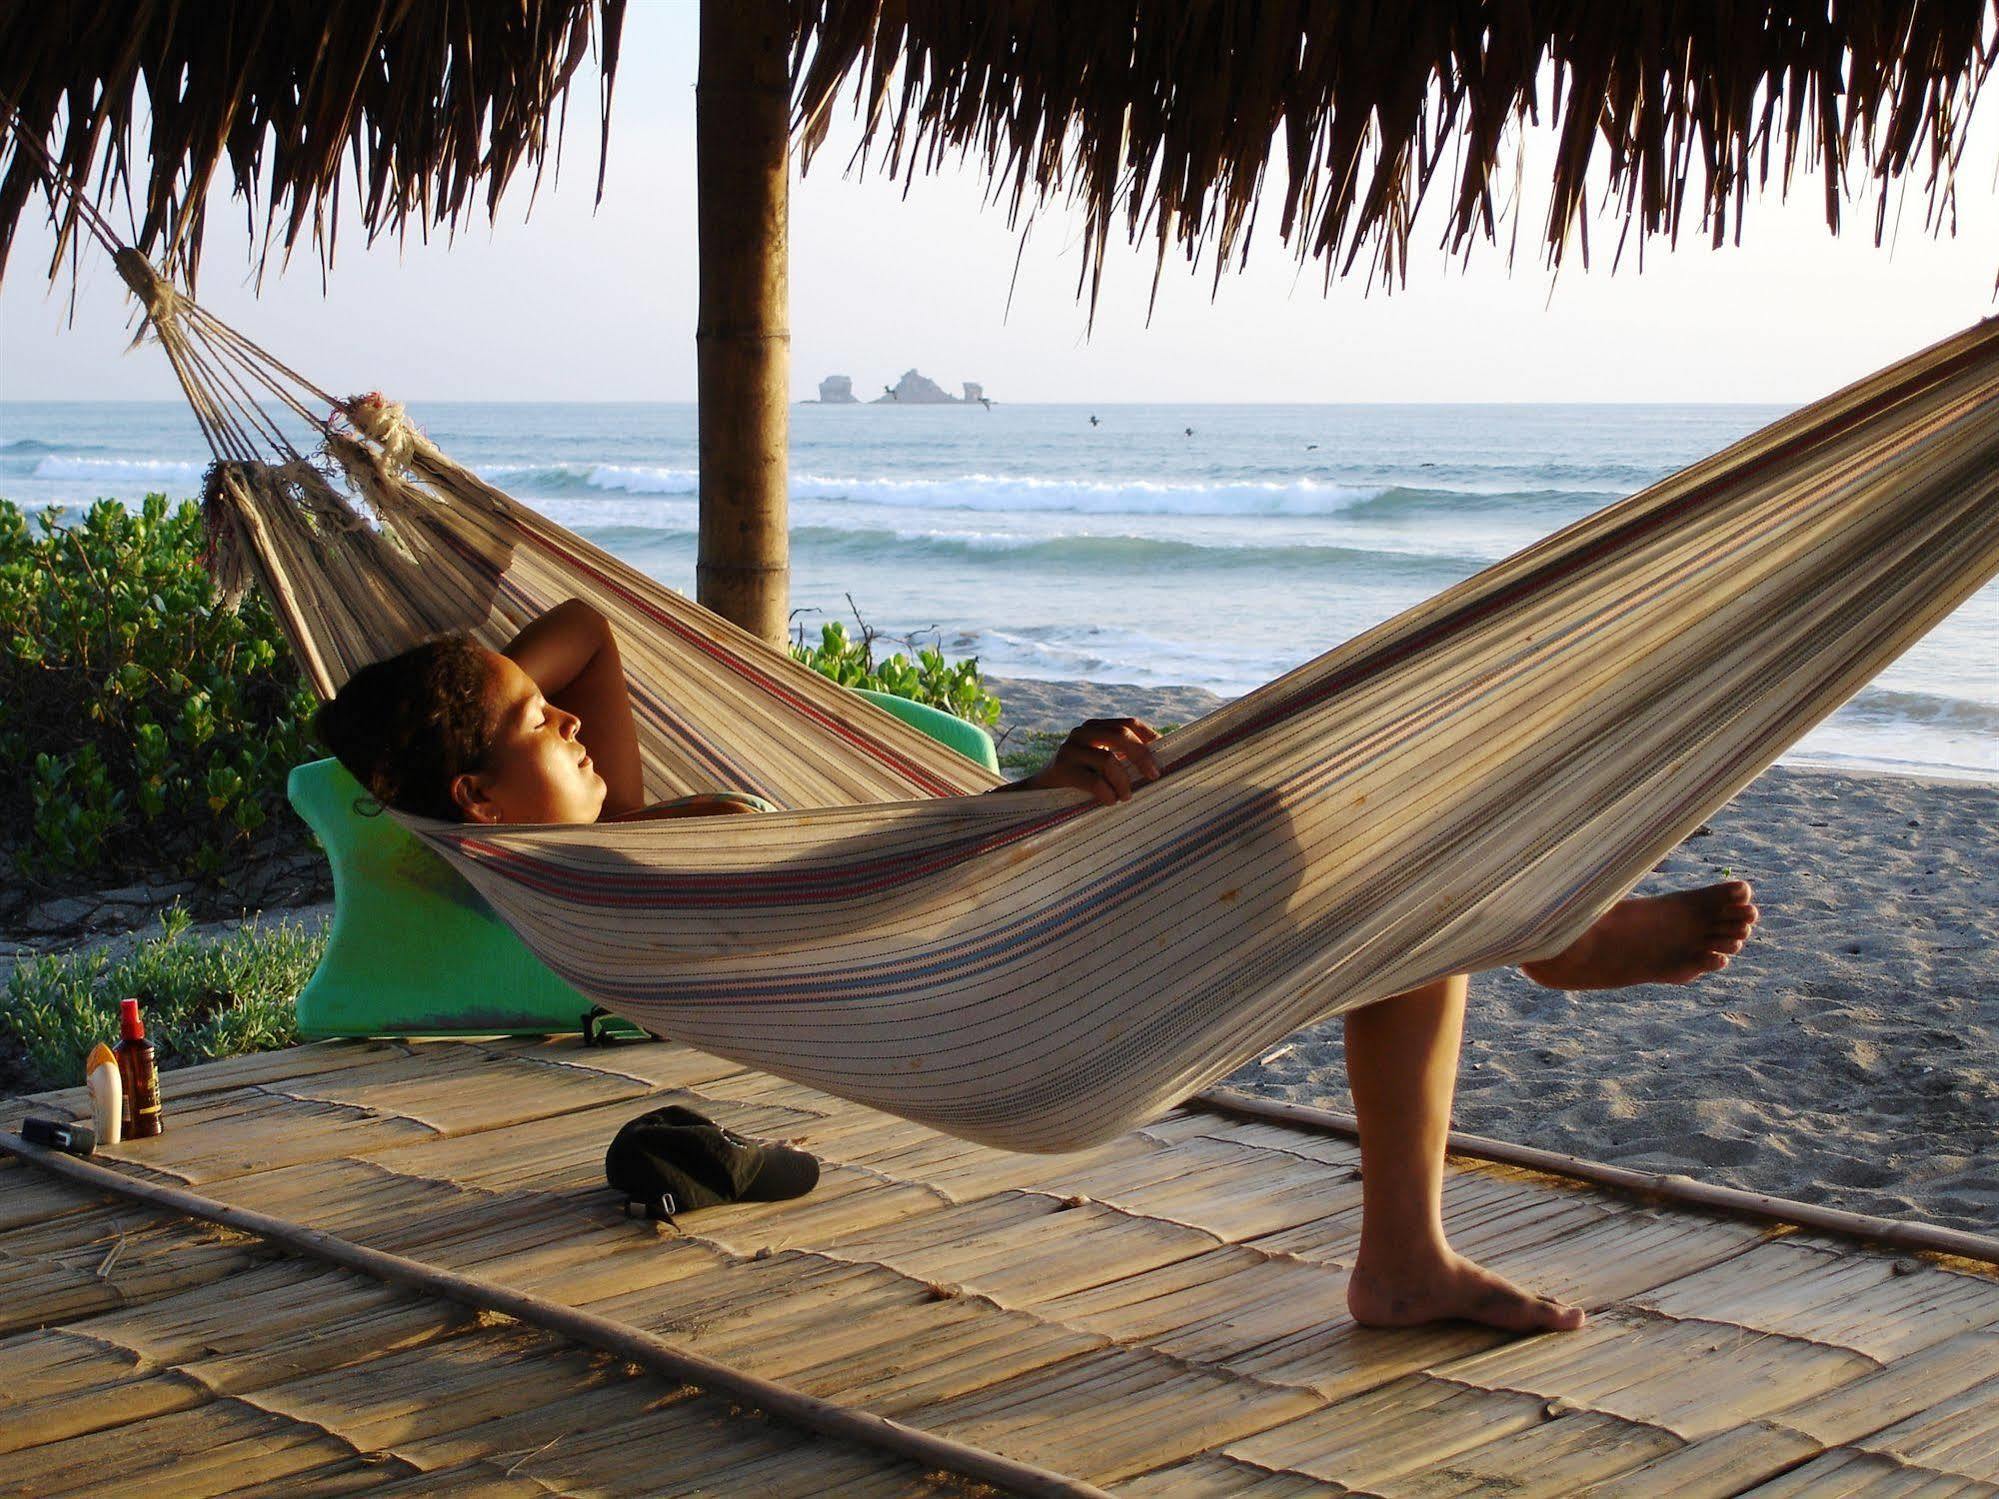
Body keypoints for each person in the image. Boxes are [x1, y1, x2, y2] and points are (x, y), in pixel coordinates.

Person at [318, 598, 1759, 1334]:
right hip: (989, 987)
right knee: (1300, 828)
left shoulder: (595, 838)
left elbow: (593, 639)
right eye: (539, 729)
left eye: (558, 715)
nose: (573, 720)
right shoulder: (620, 871)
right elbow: (856, 882)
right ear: (482, 804)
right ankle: (1553, 938)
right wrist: (1045, 797)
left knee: (1347, 866)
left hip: (987, 953)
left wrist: (454, 665)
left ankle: (1404, 1250)